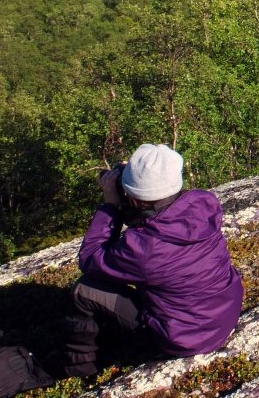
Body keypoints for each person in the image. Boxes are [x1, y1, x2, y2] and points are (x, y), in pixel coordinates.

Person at [55, 143, 244, 378]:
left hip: (183, 338)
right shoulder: (203, 204)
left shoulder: (144, 250)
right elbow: (156, 218)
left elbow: (91, 258)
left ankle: (79, 370)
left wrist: (110, 204)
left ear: (135, 200)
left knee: (84, 290)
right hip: (223, 314)